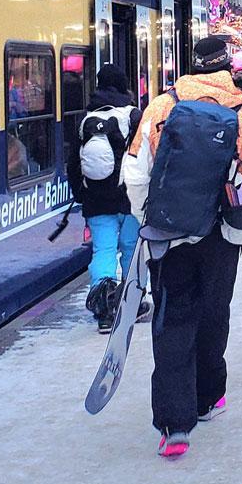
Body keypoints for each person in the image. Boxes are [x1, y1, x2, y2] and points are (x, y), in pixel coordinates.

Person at [123, 36, 242, 459]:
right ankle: (208, 398)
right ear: (227, 66)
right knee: (214, 313)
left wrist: (152, 217)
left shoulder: (161, 105)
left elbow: (134, 171)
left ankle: (175, 425)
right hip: (223, 233)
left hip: (170, 234)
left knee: (173, 319)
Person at [72, 67, 143, 333]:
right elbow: (145, 156)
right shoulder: (134, 115)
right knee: (130, 249)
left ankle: (104, 308)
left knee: (103, 251)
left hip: (97, 201)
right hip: (128, 198)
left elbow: (74, 164)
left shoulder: (86, 118)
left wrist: (83, 195)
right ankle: (131, 303)